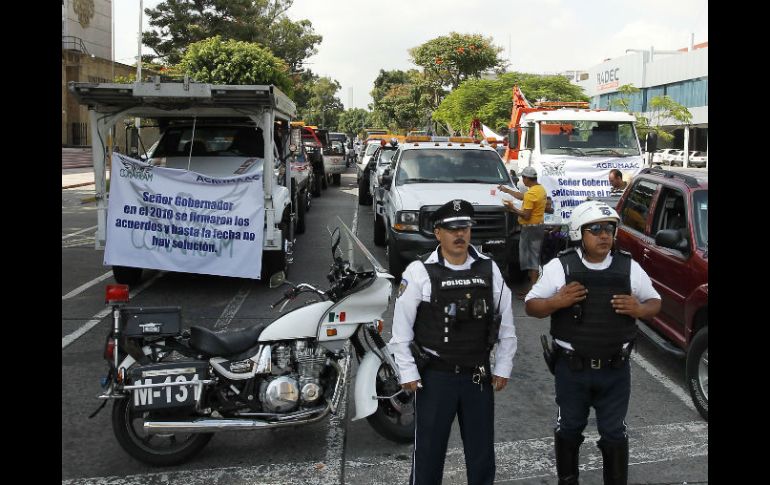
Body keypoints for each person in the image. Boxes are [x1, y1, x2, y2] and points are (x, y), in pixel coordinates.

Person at [524, 200, 661, 485]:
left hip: (615, 370)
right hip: (572, 370)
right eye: (595, 229)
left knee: (614, 433)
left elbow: (654, 302)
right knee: (569, 430)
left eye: (609, 229)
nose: (603, 235)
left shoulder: (629, 268)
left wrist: (639, 310)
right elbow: (531, 306)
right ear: (578, 233)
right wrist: (555, 301)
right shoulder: (560, 267)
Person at [390, 198, 517, 485]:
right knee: (429, 452)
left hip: (477, 376)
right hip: (436, 378)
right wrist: (408, 371)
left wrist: (503, 365)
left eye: (465, 227)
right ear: (438, 233)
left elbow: (505, 322)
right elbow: (401, 331)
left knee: (481, 452)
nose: (460, 234)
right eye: (452, 229)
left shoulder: (489, 269)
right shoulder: (419, 272)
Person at [498, 165, 547, 298]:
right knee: (533, 259)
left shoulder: (531, 193)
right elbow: (522, 197)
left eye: (523, 178)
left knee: (531, 261)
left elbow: (525, 215)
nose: (522, 181)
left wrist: (512, 208)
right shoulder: (539, 189)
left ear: (527, 178)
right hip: (538, 227)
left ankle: (533, 292)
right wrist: (507, 190)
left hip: (530, 229)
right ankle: (531, 290)